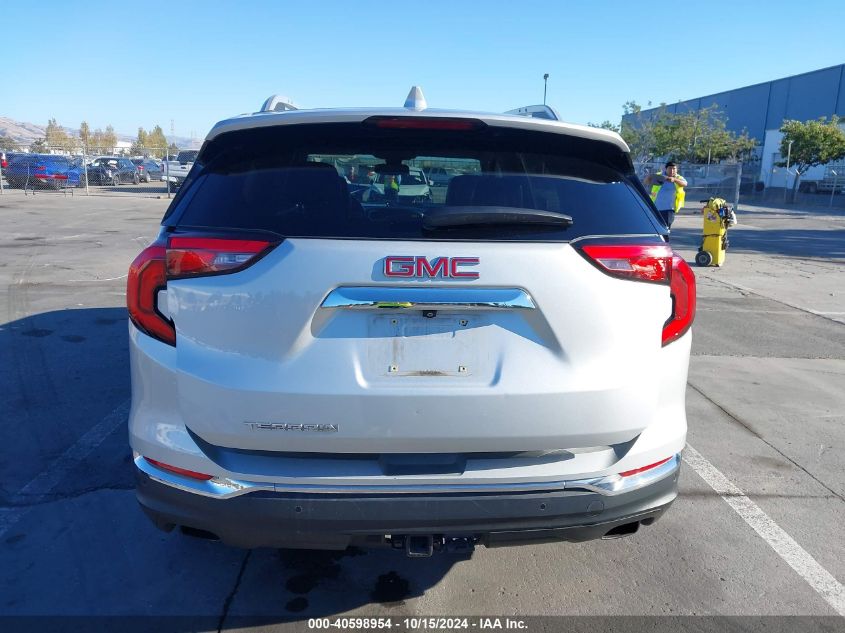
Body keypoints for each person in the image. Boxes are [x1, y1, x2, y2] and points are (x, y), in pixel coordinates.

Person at [644, 161, 687, 229]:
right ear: (665, 169)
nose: (672, 171)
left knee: (665, 228)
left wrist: (674, 180)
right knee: (654, 228)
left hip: (669, 209)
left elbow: (684, 184)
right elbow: (646, 182)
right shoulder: (659, 176)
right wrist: (649, 176)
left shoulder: (678, 178)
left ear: (677, 170)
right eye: (670, 168)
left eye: (674, 169)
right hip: (655, 208)